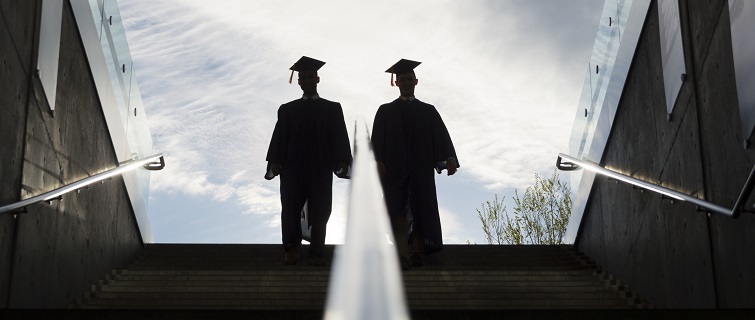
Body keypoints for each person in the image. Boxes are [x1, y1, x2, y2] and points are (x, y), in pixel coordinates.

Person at [371, 59, 459, 270]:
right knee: (396, 210)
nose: (407, 82)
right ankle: (402, 254)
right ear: (396, 83)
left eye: (410, 79)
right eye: (403, 79)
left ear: (416, 81)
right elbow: (376, 141)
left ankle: (417, 251)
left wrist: (449, 158)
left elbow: (440, 137)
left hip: (421, 169)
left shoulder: (428, 111)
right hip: (395, 170)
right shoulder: (385, 111)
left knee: (422, 209)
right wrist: (377, 160)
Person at [265, 56, 352, 266]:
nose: (306, 80)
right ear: (299, 81)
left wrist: (341, 159)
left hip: (320, 166)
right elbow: (280, 137)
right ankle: (292, 248)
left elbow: (339, 135)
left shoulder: (332, 108)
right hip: (292, 166)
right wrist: (275, 160)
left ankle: (316, 252)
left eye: (310, 76)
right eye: (302, 77)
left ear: (317, 79)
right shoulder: (287, 110)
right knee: (290, 207)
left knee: (321, 209)